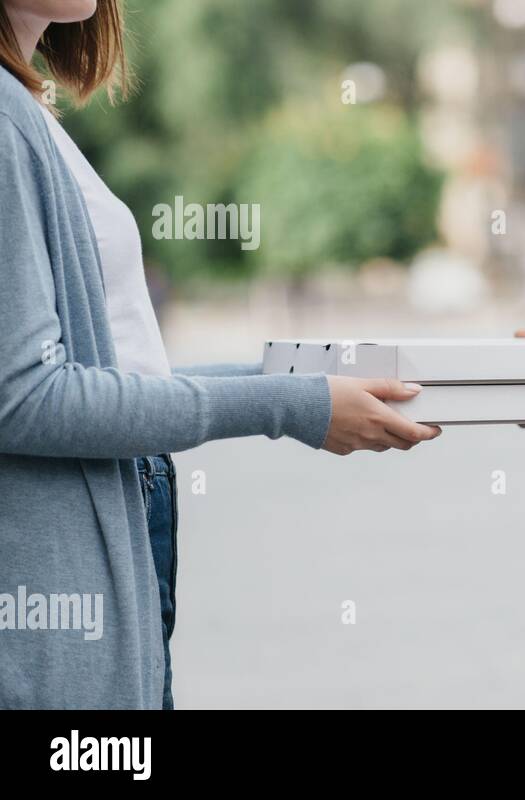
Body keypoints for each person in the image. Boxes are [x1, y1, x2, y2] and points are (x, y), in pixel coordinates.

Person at [0, 0, 439, 710]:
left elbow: (120, 376)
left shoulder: (27, 106)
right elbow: (23, 397)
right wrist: (288, 404)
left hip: (116, 534)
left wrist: (303, 381)